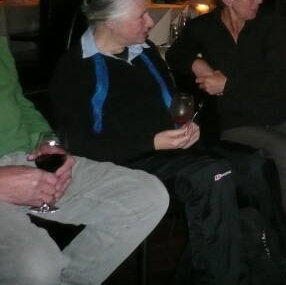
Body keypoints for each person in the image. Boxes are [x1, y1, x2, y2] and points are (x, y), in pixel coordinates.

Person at [50, 0, 286, 285]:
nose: (149, 22)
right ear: (111, 22)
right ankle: (224, 278)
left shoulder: (144, 52)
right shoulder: (76, 67)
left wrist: (188, 125)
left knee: (255, 163)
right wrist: (153, 141)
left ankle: (277, 260)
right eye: (141, 16)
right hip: (124, 160)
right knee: (214, 175)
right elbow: (79, 143)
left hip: (171, 149)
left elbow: (170, 102)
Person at [166, 0, 286, 264]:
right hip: (236, 120)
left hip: (278, 112)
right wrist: (198, 64)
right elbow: (176, 53)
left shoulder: (269, 24)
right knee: (284, 150)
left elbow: (274, 79)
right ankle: (281, 235)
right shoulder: (205, 27)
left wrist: (226, 83)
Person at [0, 33, 169, 285]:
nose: (149, 23)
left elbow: (18, 101)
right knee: (37, 266)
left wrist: (49, 145)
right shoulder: (78, 62)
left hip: (26, 157)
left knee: (147, 195)